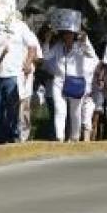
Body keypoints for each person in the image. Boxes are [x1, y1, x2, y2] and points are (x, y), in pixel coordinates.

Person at [0, 0, 37, 144]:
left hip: (13, 75)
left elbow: (32, 46)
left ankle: (13, 138)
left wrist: (28, 62)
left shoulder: (20, 26)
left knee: (12, 111)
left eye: (0, 5)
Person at [43, 9, 99, 142]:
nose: (68, 36)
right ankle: (60, 137)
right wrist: (47, 40)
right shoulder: (58, 46)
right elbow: (45, 57)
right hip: (59, 81)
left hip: (76, 82)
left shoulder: (80, 46)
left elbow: (92, 54)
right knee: (59, 109)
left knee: (75, 112)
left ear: (74, 34)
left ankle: (74, 137)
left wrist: (85, 40)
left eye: (70, 34)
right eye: (65, 34)